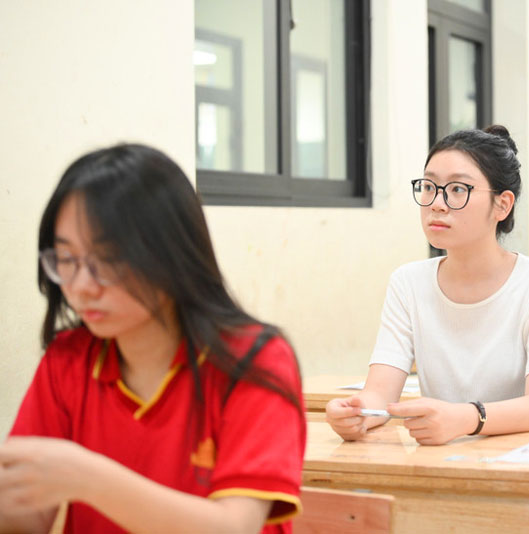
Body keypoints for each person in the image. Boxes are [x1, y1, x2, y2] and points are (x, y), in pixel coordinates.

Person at [0, 145, 305, 533]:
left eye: (108, 259)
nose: (81, 287)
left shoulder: (253, 359)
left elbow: (235, 527)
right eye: (67, 260)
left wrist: (85, 477)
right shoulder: (68, 359)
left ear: (172, 254)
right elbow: (24, 521)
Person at [325, 126, 529, 446]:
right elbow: (380, 394)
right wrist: (357, 413)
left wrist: (466, 418)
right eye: (429, 187)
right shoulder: (408, 282)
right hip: (441, 456)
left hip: (527, 457)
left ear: (502, 204)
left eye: (457, 189)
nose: (437, 204)